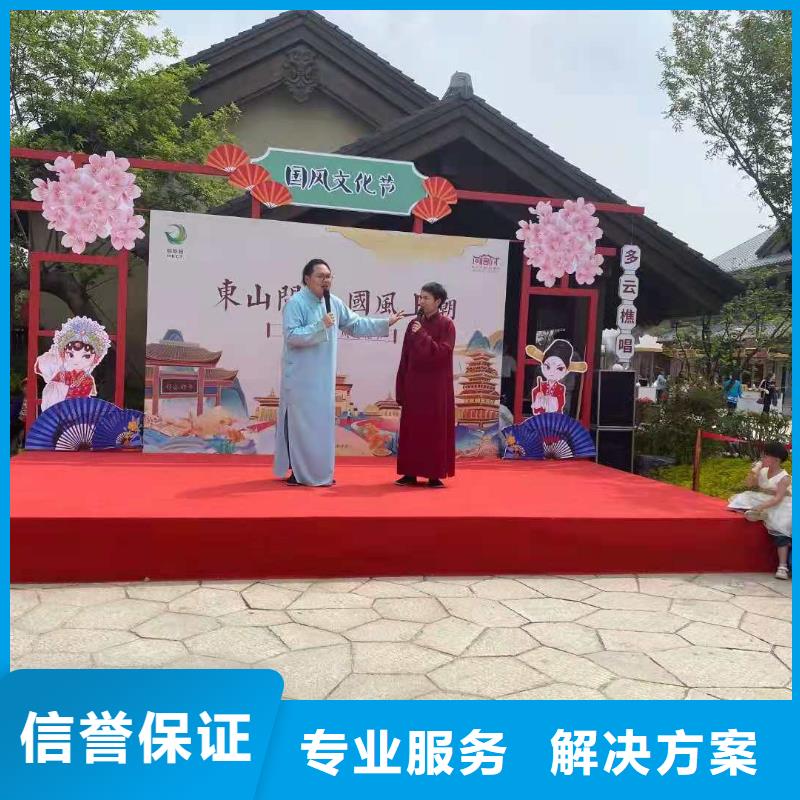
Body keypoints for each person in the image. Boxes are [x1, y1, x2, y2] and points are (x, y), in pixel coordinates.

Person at [274, 258, 403, 487]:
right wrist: (320, 325)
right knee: (301, 426)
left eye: (328, 276)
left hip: (323, 377)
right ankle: (299, 472)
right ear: (307, 279)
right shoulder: (296, 303)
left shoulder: (333, 302)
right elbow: (292, 336)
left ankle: (318, 471)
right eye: (320, 276)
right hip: (301, 377)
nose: (325, 280)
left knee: (321, 427)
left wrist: (385, 323)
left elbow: (355, 324)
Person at [395, 282, 455, 488]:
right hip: (414, 385)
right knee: (412, 429)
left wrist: (422, 335)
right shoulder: (414, 323)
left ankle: (434, 475)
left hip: (435, 387)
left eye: (426, 298)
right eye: (420, 297)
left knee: (433, 430)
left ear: (438, 301)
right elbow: (405, 356)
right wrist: (401, 384)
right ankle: (409, 473)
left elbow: (443, 354)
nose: (421, 301)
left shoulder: (447, 325)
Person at [728, 441, 792, 580]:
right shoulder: (763, 471)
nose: (762, 458)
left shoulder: (784, 478)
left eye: (766, 456)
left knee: (780, 529)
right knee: (741, 498)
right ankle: (759, 514)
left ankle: (782, 567)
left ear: (776, 459)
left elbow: (778, 499)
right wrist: (754, 471)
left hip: (781, 505)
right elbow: (749, 485)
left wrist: (760, 506)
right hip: (762, 498)